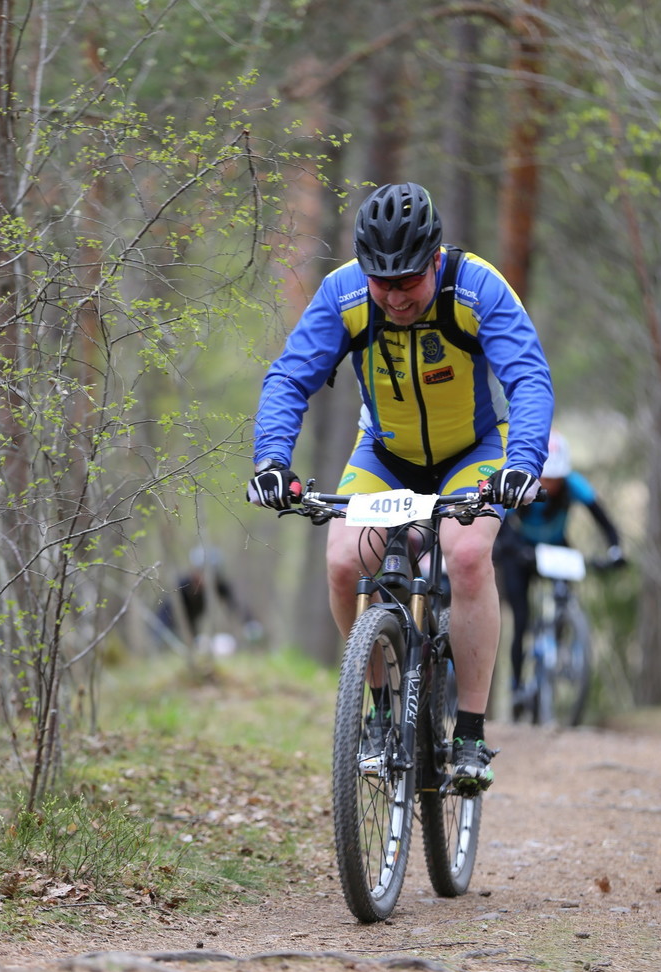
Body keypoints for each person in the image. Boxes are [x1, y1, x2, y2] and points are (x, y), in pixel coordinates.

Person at [247, 182, 555, 791]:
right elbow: (288, 379)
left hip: (472, 452)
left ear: (435, 261)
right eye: (380, 282)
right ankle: (381, 706)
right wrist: (271, 462)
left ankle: (468, 730)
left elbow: (529, 378)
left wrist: (522, 462)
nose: (394, 297)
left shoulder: (476, 287)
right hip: (386, 454)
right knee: (343, 560)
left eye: (407, 282)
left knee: (466, 557)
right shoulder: (343, 294)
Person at [494, 429, 625, 717]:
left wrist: (615, 549)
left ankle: (562, 642)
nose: (550, 484)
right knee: (522, 617)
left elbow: (604, 520)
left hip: (557, 549)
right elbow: (501, 524)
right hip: (521, 550)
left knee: (566, 598)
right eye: (546, 478)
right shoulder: (524, 484)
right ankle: (516, 684)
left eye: (556, 478)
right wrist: (512, 550)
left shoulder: (575, 486)